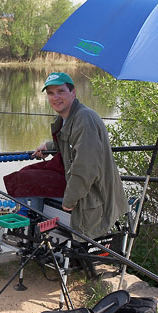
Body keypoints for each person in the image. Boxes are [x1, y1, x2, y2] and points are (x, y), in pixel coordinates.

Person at [30, 72, 128, 239]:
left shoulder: (84, 118)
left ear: (73, 92)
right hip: (84, 187)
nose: (55, 97)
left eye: (61, 91)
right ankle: (35, 237)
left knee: (27, 185)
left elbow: (85, 168)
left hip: (94, 196)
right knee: (30, 179)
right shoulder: (69, 117)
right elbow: (73, 141)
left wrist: (69, 201)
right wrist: (49, 145)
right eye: (51, 93)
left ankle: (35, 238)